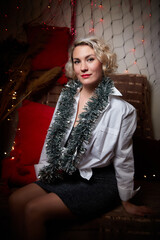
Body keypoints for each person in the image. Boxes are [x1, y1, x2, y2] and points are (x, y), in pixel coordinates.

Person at [9, 36, 152, 240]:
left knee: (34, 209)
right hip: (67, 173)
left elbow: (124, 158)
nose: (83, 67)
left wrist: (126, 199)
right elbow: (53, 139)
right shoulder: (66, 99)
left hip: (100, 181)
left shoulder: (123, 111)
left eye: (90, 59)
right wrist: (45, 172)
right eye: (77, 61)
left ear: (103, 61)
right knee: (16, 200)